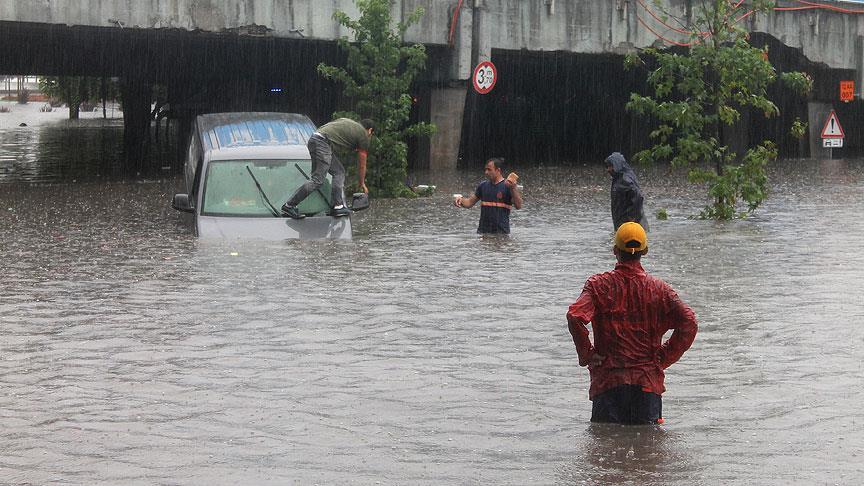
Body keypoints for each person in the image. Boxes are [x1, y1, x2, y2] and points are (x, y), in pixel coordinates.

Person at [566, 222, 697, 425]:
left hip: (608, 384)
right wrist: (663, 358)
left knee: (606, 447)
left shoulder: (598, 286)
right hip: (647, 384)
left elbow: (575, 316)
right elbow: (689, 322)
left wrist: (587, 355)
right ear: (644, 251)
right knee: (648, 450)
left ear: (615, 251)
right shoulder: (660, 290)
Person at [281, 118, 375, 219]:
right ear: (369, 130)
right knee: (317, 180)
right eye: (371, 134)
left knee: (339, 172)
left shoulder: (349, 124)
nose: (370, 136)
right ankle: (289, 205)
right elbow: (362, 165)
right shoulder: (363, 135)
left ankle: (337, 206)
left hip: (315, 139)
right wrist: (361, 183)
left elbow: (336, 136)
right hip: (322, 143)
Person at [454, 158, 523, 234]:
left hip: (501, 234)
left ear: (498, 170)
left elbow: (518, 206)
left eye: (489, 169)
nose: (486, 172)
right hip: (483, 232)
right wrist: (460, 200)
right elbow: (469, 202)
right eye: (485, 169)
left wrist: (513, 188)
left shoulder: (508, 186)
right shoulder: (483, 186)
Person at [606, 152, 647, 231]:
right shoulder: (620, 178)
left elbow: (638, 197)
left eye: (610, 166)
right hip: (627, 226)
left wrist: (631, 219)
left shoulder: (625, 179)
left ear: (616, 165)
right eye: (607, 167)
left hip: (632, 228)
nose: (608, 169)